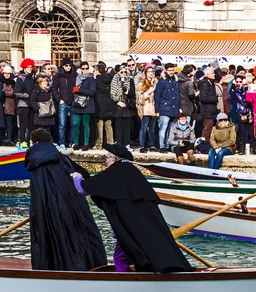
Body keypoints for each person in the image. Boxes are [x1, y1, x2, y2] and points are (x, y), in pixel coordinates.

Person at [70, 143, 193, 273]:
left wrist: (76, 177)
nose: (106, 161)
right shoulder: (134, 172)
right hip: (144, 225)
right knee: (130, 254)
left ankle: (124, 282)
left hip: (129, 228)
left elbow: (83, 188)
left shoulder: (114, 172)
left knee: (120, 257)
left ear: (113, 159)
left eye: (107, 158)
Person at [25, 128, 106, 271]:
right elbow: (84, 174)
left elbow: (38, 195)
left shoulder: (34, 164)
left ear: (34, 143)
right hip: (71, 206)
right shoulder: (62, 158)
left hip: (47, 210)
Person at [155, 63, 181, 153]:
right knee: (163, 128)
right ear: (165, 71)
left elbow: (178, 96)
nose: (171, 72)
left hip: (173, 109)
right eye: (169, 70)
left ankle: (167, 145)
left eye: (172, 70)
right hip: (164, 108)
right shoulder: (162, 82)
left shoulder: (175, 82)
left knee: (170, 129)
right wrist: (157, 110)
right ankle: (162, 146)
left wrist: (179, 108)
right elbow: (157, 97)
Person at [71, 62, 96, 151]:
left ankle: (86, 144)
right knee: (76, 124)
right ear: (80, 69)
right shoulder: (77, 78)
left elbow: (92, 92)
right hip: (77, 104)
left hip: (87, 104)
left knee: (86, 125)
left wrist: (79, 90)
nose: (85, 70)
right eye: (83, 68)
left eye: (86, 68)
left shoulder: (91, 79)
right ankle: (76, 143)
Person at [110, 65, 136, 146]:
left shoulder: (130, 80)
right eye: (122, 72)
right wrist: (118, 102)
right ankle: (119, 144)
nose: (124, 73)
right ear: (118, 73)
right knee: (118, 127)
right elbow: (112, 94)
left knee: (127, 127)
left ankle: (127, 144)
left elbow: (132, 93)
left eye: (125, 72)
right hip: (118, 106)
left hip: (128, 107)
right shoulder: (114, 80)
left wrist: (126, 91)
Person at [15, 58, 36, 148]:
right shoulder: (21, 78)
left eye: (31, 67)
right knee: (23, 125)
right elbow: (17, 92)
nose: (30, 68)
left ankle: (30, 141)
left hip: (31, 105)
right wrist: (27, 95)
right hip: (23, 105)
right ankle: (22, 141)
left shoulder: (31, 78)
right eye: (28, 67)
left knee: (32, 124)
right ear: (24, 68)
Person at [94, 62, 115, 149]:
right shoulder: (110, 78)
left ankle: (99, 144)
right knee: (108, 125)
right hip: (109, 103)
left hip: (100, 103)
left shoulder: (97, 80)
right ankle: (111, 143)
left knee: (99, 125)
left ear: (98, 71)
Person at [138, 66, 158, 153]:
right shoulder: (141, 84)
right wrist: (149, 91)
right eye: (149, 71)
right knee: (144, 127)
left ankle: (152, 145)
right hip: (145, 108)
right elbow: (139, 98)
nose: (151, 73)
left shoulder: (156, 83)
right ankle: (142, 145)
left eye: (152, 72)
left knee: (152, 128)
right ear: (145, 73)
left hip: (153, 109)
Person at [1, 65, 16, 145]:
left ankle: (9, 138)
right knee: (3, 123)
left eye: (8, 73)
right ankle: (3, 138)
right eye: (5, 73)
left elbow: (13, 92)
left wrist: (4, 92)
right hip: (2, 104)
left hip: (10, 104)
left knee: (9, 122)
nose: (7, 75)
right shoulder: (1, 81)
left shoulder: (13, 82)